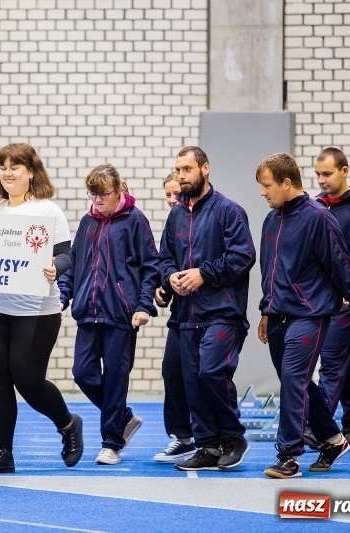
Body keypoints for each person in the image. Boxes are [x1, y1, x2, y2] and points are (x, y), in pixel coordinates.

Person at [256, 152, 350, 478]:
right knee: (297, 383)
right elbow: (269, 271)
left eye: (267, 185)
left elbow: (342, 265)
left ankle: (288, 456)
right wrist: (266, 311)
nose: (262, 192)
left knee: (292, 382)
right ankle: (333, 439)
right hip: (279, 315)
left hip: (310, 315)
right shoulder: (271, 220)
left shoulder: (319, 218)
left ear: (286, 182)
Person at [0, 143, 83, 474]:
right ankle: (2, 452)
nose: (7, 172)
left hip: (36, 310)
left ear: (31, 172)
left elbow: (65, 254)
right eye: (2, 166)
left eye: (15, 166)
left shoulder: (49, 211)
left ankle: (68, 425)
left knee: (28, 380)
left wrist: (55, 268)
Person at [159, 147, 255, 471]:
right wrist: (169, 278)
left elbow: (243, 257)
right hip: (187, 316)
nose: (182, 176)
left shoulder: (229, 210)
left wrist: (203, 273)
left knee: (211, 372)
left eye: (187, 169)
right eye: (178, 170)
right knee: (192, 383)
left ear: (205, 168)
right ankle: (209, 446)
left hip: (223, 312)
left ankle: (234, 437)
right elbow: (164, 259)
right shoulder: (175, 215)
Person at [59, 164, 159, 465]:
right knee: (83, 373)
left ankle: (112, 442)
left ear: (118, 191)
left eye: (103, 194)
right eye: (93, 194)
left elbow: (150, 266)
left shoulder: (135, 221)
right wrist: (63, 295)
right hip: (88, 312)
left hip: (121, 314)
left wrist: (143, 306)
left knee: (116, 378)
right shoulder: (88, 222)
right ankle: (124, 418)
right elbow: (74, 263)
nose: (97, 199)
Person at [309, 148, 350, 448]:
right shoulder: (315, 207)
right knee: (344, 363)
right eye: (318, 174)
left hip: (349, 301)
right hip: (323, 301)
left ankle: (321, 427)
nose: (321, 180)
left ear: (344, 171)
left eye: (327, 174)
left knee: (332, 362)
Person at [153, 170, 195, 463]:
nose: (172, 200)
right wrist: (164, 285)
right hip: (180, 313)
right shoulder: (175, 220)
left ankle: (216, 436)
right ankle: (182, 437)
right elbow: (166, 261)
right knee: (172, 369)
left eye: (176, 194)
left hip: (209, 313)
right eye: (167, 194)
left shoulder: (205, 217)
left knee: (203, 376)